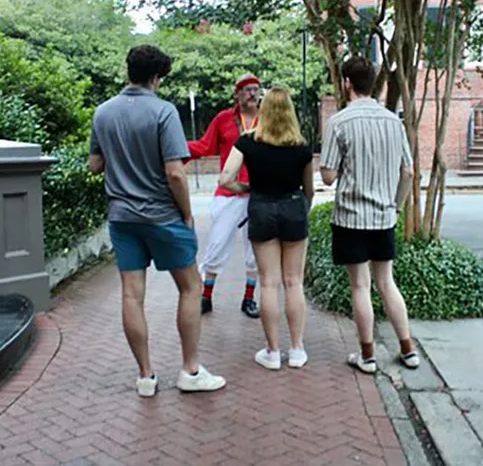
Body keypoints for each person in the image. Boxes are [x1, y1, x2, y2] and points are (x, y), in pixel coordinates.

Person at [88, 44, 226, 397]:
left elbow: (95, 165)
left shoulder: (103, 113)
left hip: (122, 217)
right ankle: (190, 370)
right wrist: (188, 214)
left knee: (132, 295)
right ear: (156, 77)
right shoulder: (164, 112)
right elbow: (175, 173)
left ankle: (146, 376)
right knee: (191, 287)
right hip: (162, 215)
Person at [318, 56, 421, 374]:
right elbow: (409, 171)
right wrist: (397, 207)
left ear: (347, 83)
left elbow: (328, 176)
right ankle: (408, 349)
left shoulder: (339, 122)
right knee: (387, 283)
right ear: (372, 83)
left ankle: (367, 356)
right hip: (384, 217)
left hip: (351, 217)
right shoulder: (394, 121)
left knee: (360, 287)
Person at [219, 87, 314, 370]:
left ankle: (272, 352)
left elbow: (225, 178)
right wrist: (299, 210)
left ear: (263, 110)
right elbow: (308, 190)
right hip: (293, 208)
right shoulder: (301, 146)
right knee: (293, 281)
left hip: (261, 209)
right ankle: (296, 350)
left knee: (268, 282)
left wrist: (247, 188)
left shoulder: (248, 142)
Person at [185, 74, 263, 318]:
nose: (252, 94)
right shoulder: (224, 119)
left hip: (259, 194)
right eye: (246, 90)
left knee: (255, 249)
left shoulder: (268, 118)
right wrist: (175, 148)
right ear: (237, 94)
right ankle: (206, 297)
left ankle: (249, 298)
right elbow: (205, 146)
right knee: (217, 244)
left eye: (255, 89)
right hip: (228, 192)